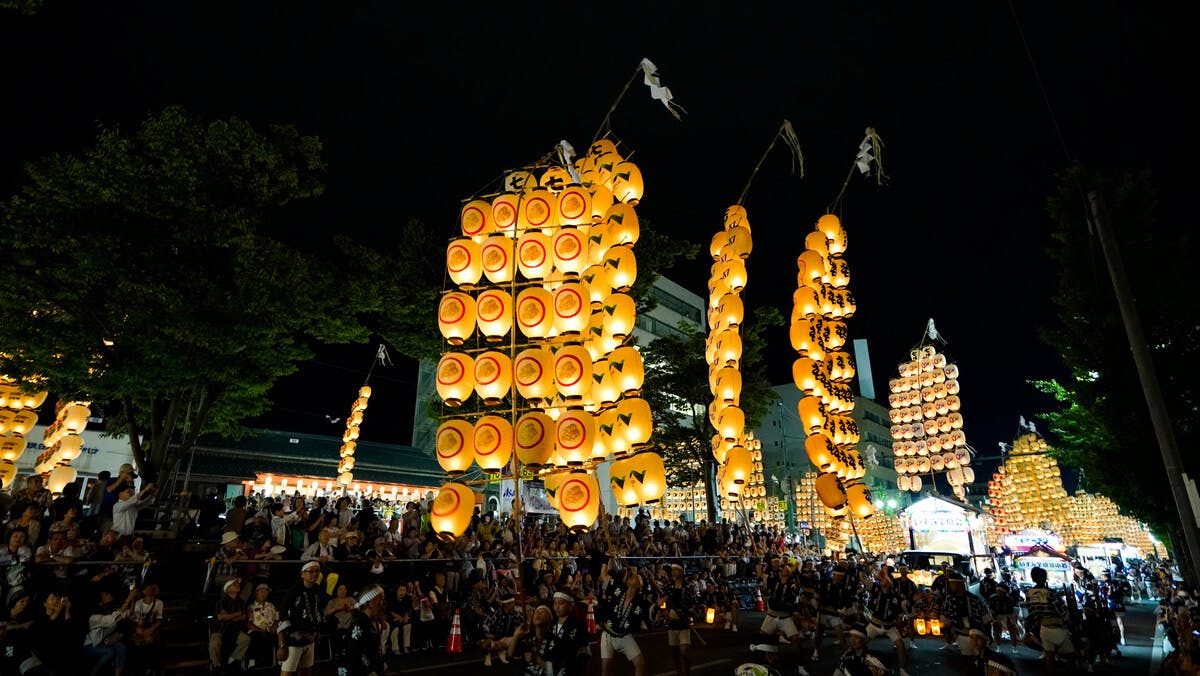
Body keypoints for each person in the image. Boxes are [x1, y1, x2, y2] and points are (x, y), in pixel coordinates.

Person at [598, 564, 649, 676]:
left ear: (640, 585)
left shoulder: (640, 603)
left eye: (636, 575)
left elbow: (651, 609)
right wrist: (606, 560)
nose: (632, 575)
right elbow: (603, 575)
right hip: (608, 634)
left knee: (640, 663)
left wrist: (658, 605)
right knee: (605, 667)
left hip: (624, 635)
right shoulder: (618, 589)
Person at [278, 560, 325, 676]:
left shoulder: (318, 590)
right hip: (294, 640)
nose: (314, 574)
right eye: (311, 571)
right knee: (288, 673)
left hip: (310, 639)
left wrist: (317, 631)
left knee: (305, 671)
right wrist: (282, 645)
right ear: (302, 574)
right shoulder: (292, 592)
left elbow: (318, 612)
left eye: (317, 571)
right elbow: (282, 617)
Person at [1024, 566, 1072, 675]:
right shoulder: (1050, 593)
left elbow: (1031, 612)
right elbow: (1062, 610)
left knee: (1049, 658)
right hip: (1057, 626)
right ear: (1045, 577)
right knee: (1071, 657)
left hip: (1042, 627)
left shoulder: (1029, 593)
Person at [864, 565, 910, 676]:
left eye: (885, 579)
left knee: (900, 646)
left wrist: (907, 605)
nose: (882, 580)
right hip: (874, 624)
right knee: (860, 642)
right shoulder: (875, 588)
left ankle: (903, 670)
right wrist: (863, 568)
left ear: (889, 583)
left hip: (890, 627)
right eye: (883, 578)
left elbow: (904, 608)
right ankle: (855, 664)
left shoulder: (895, 597)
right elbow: (863, 580)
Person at [84, 586, 139, 676]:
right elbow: (112, 619)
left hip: (102, 641)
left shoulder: (108, 609)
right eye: (106, 595)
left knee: (122, 648)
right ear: (100, 602)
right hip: (91, 645)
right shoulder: (93, 617)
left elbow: (126, 614)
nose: (109, 595)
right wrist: (128, 599)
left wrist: (133, 600)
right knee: (111, 651)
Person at [343, 585, 387, 676]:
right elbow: (355, 653)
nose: (383, 603)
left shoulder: (373, 622)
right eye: (381, 599)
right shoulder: (359, 624)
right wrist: (370, 670)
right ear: (369, 603)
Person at [662, 562, 696, 676]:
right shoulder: (668, 587)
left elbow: (693, 605)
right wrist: (663, 609)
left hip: (683, 623)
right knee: (675, 654)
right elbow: (663, 602)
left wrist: (685, 612)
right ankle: (679, 672)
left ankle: (686, 673)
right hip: (672, 624)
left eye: (676, 570)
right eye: (672, 570)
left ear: (681, 572)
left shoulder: (688, 587)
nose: (673, 572)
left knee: (684, 653)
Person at [210, 578, 252, 671]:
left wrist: (228, 616)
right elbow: (221, 617)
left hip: (235, 630)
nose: (237, 584)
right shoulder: (221, 602)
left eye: (238, 583)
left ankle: (232, 660)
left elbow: (243, 617)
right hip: (220, 630)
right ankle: (216, 665)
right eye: (234, 583)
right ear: (227, 589)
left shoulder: (241, 602)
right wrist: (236, 615)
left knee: (246, 639)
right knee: (214, 643)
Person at [549, 591, 589, 676]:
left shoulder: (579, 625)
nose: (557, 607)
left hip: (570, 668)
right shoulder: (550, 624)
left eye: (561, 603)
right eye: (555, 603)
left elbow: (584, 651)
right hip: (550, 666)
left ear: (570, 606)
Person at [130, 582, 165, 676]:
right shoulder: (138, 603)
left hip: (152, 629)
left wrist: (150, 631)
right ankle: (142, 669)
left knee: (154, 645)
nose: (151, 590)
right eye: (148, 589)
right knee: (139, 646)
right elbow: (136, 621)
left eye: (152, 588)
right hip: (140, 630)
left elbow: (159, 620)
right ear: (144, 591)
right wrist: (142, 631)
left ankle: (153, 668)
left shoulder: (159, 602)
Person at [246, 583, 279, 670]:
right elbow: (249, 624)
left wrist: (274, 626)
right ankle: (252, 662)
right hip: (256, 630)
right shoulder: (251, 607)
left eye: (266, 591)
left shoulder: (271, 605)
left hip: (270, 629)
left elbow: (276, 618)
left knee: (279, 634)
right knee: (255, 637)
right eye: (261, 591)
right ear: (256, 593)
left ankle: (280, 659)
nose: (264, 593)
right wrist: (260, 630)